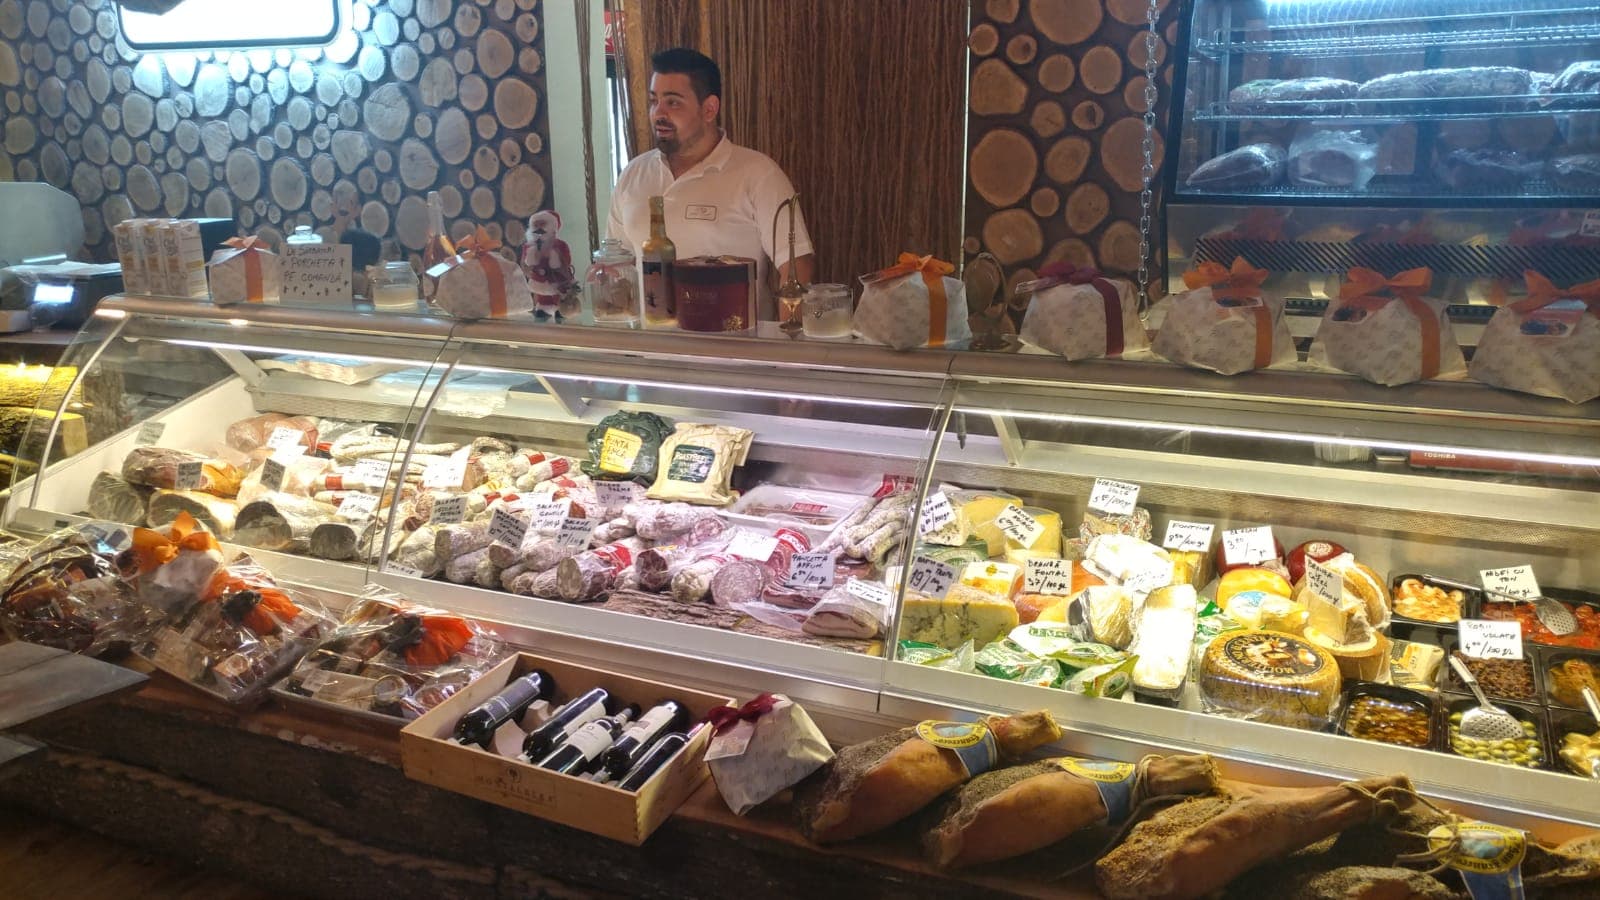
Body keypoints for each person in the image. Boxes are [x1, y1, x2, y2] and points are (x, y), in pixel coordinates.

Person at [606, 47, 815, 321]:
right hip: (651, 344)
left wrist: (785, 342)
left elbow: (797, 266)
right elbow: (617, 266)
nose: (658, 113)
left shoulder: (758, 174)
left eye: (673, 102)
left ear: (709, 109)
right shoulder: (633, 174)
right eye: (654, 101)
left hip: (734, 344)